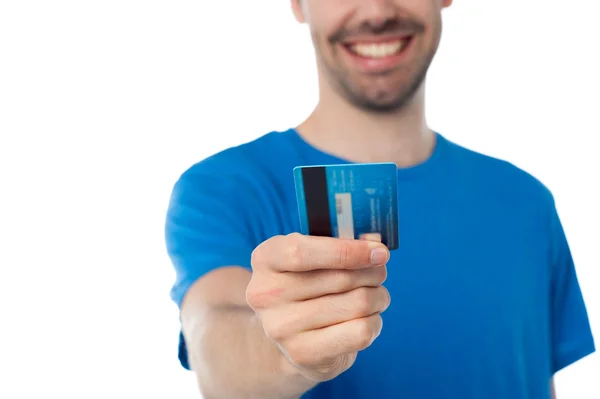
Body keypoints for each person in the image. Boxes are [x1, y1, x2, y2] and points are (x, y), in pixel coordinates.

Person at [164, 1, 596, 398]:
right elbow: (215, 345)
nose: (375, 10)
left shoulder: (527, 202)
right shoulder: (225, 190)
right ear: (298, 3)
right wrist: (283, 351)